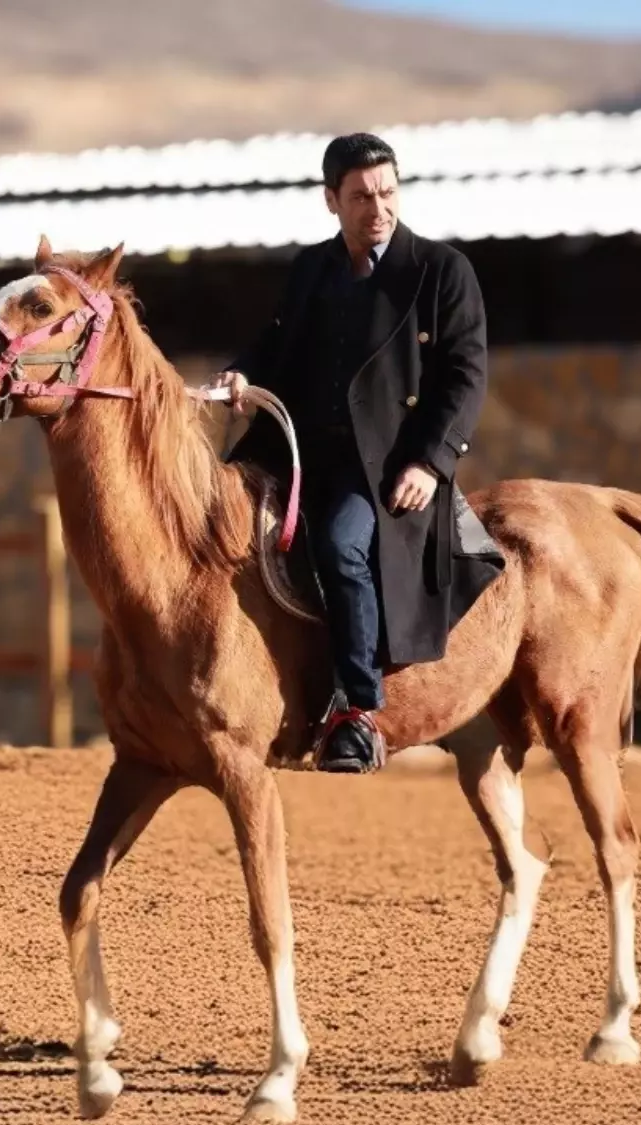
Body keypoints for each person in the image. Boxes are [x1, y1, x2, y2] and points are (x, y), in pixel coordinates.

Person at [214, 132, 505, 774]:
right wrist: (240, 375)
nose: (378, 207)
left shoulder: (441, 270)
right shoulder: (310, 270)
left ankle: (356, 711)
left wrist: (431, 462)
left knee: (342, 545)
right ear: (331, 201)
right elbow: (276, 343)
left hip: (377, 469)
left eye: (387, 192)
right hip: (293, 453)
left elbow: (464, 374)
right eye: (361, 196)